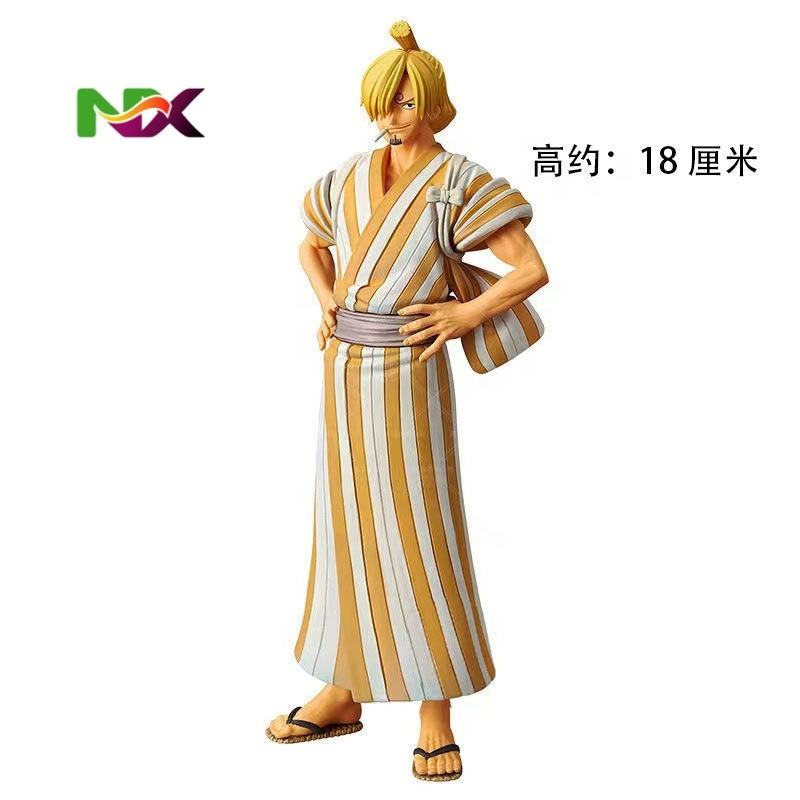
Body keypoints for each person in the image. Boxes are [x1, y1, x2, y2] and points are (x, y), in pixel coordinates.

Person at [266, 20, 549, 782]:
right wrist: (326, 300)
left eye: (407, 101)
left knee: (423, 531)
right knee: (345, 528)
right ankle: (343, 688)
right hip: (341, 370)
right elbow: (309, 243)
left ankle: (434, 714)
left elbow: (530, 269)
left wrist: (463, 315)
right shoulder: (350, 174)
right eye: (385, 102)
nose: (395, 115)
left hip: (411, 371)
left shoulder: (460, 182)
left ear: (434, 103)